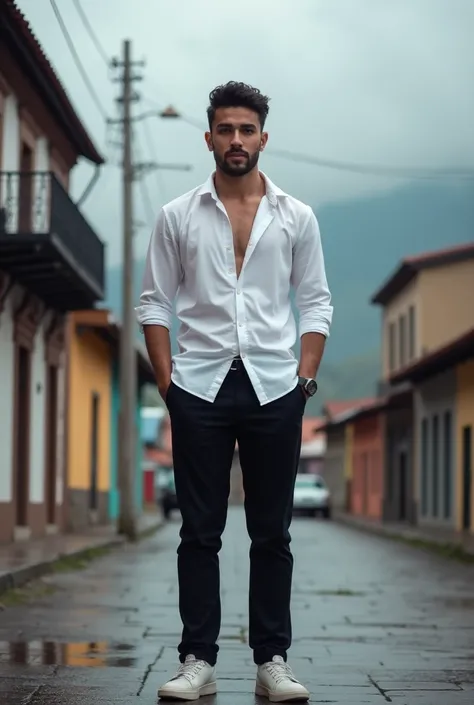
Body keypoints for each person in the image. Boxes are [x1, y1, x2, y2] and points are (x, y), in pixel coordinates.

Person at [136, 81, 333, 702]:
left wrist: (304, 380)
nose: (237, 140)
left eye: (247, 130)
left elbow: (316, 302)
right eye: (226, 129)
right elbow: (153, 302)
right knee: (200, 530)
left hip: (277, 387)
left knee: (272, 531)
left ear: (263, 138)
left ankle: (272, 661)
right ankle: (198, 660)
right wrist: (169, 385)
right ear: (210, 138)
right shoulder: (176, 216)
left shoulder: (296, 216)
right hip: (199, 386)